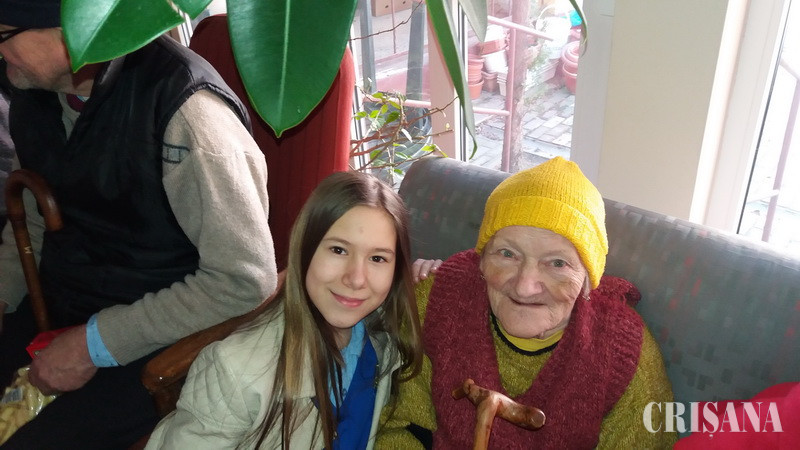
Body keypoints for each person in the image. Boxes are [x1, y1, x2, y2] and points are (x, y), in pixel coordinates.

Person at [0, 1, 278, 448]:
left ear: (71, 33)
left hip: (151, 338)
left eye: (4, 34)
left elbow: (243, 280)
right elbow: (31, 225)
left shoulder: (189, 114)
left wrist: (92, 345)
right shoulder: (33, 94)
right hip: (59, 307)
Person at [377, 156, 677, 448]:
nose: (525, 286)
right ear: (481, 260)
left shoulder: (623, 352)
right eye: (507, 254)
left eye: (557, 263)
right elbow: (398, 426)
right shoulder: (438, 301)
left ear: (588, 280)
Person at [145, 171, 423, 449]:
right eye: (338, 250)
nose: (356, 279)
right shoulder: (236, 372)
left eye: (377, 258)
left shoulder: (386, 336)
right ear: (303, 251)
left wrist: (432, 273)